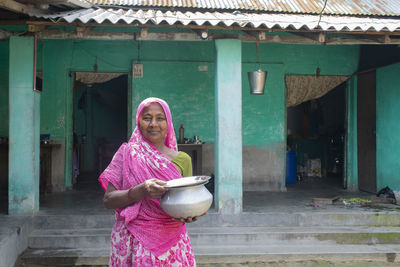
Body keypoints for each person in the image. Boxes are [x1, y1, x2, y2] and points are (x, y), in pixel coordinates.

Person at [99, 97, 199, 266]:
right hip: (132, 241)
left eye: (160, 118)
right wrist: (141, 190)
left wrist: (191, 214)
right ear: (138, 122)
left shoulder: (183, 160)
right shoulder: (126, 154)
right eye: (147, 118)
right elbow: (108, 200)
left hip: (172, 245)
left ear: (168, 123)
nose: (153, 124)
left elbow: (186, 203)